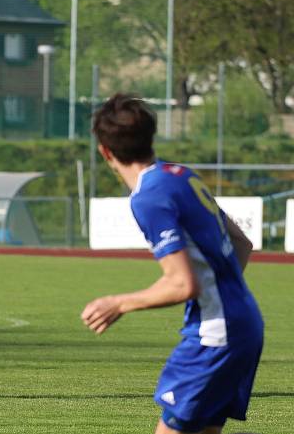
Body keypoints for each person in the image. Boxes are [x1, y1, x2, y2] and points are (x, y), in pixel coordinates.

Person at [81, 94, 263, 434]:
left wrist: (118, 302)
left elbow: (183, 284)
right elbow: (242, 242)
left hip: (215, 336)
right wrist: (221, 297)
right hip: (246, 324)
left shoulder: (148, 196)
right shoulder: (181, 175)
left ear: (105, 152)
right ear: (151, 138)